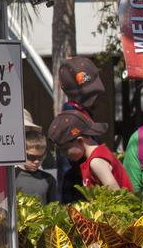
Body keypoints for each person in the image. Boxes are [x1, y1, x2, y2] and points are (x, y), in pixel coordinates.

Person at [54, 56, 107, 204]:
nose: (96, 96)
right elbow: (70, 165)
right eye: (92, 93)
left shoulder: (83, 115)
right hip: (78, 197)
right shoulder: (70, 121)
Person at [49, 113, 132, 191]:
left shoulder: (96, 161)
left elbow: (116, 195)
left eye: (65, 149)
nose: (63, 154)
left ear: (80, 141)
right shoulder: (98, 153)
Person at [14, 112, 58, 203]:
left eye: (41, 157)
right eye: (31, 157)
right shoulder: (11, 177)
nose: (37, 161)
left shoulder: (48, 179)